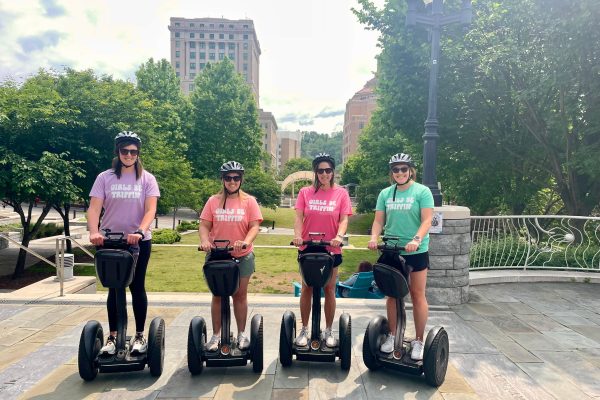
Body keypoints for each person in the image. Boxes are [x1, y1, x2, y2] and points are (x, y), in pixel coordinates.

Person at [88, 131, 160, 355]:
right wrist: (94, 232)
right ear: (117, 152)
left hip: (138, 242)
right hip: (109, 240)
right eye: (124, 151)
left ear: (138, 153)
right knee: (114, 288)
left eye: (133, 151)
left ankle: (139, 335)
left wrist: (140, 231)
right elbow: (94, 208)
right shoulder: (104, 177)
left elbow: (151, 209)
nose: (129, 155)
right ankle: (113, 336)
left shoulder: (147, 179)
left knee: (137, 286)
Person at [367, 152, 433, 361]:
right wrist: (374, 237)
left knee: (417, 294)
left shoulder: (422, 191)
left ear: (411, 170)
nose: (400, 172)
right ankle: (393, 335)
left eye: (404, 169)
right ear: (392, 172)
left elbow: (427, 220)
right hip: (392, 250)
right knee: (393, 295)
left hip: (415, 251)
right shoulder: (386, 193)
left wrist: (416, 239)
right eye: (396, 169)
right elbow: (379, 220)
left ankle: (419, 340)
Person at [199, 161, 263, 351]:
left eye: (236, 178)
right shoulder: (213, 201)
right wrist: (205, 241)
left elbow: (254, 226)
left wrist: (246, 241)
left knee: (240, 295)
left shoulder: (249, 201)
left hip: (242, 255)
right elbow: (204, 225)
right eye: (228, 178)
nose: (232, 181)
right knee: (218, 295)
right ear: (223, 179)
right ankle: (216, 335)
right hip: (217, 255)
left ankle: (242, 333)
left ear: (241, 179)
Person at [292, 153, 352, 347]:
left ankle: (328, 330)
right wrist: (297, 236)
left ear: (333, 171)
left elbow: (344, 219)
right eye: (320, 171)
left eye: (328, 170)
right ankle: (304, 329)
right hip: (308, 248)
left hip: (331, 249)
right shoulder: (305, 192)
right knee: (307, 288)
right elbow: (298, 217)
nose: (324, 174)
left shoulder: (341, 193)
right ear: (315, 172)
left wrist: (339, 237)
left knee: (330, 289)